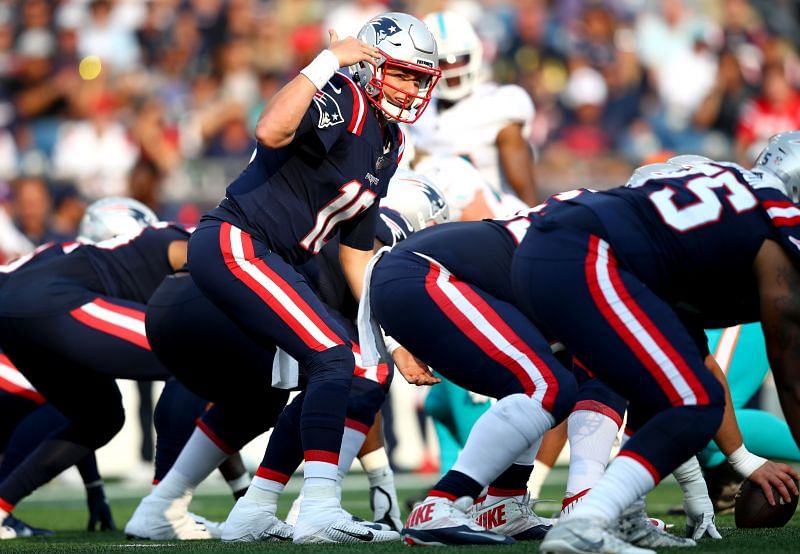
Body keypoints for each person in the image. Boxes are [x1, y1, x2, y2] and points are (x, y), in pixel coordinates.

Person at [178, 11, 439, 544]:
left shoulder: (389, 142)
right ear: (370, 66)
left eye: (419, 77)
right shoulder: (342, 92)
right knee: (334, 357)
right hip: (238, 240)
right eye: (403, 73)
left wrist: (393, 338)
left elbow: (355, 254)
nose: (412, 87)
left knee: (349, 362)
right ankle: (319, 508)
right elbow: (270, 129)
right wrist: (326, 63)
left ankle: (255, 509)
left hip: (276, 260)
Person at [509, 134, 800, 553]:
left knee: (662, 389)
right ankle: (587, 521)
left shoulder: (708, 212)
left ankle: (616, 515)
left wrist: (703, 489)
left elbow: (696, 357)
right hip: (583, 255)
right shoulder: (769, 218)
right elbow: (788, 366)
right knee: (694, 402)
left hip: (546, 248)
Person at [359, 216, 578, 545]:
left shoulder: (597, 228)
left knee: (539, 382)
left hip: (416, 278)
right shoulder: (617, 247)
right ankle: (440, 504)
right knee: (548, 386)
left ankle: (503, 505)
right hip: (425, 277)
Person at [0, 198, 187, 540]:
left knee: (99, 414)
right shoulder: (80, 271)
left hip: (17, 326)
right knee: (191, 362)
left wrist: (94, 486)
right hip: (17, 334)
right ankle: (165, 505)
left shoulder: (62, 260)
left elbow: (82, 409)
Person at [409, 11, 537, 205]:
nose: (452, 71)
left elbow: (527, 198)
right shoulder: (413, 108)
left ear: (475, 55)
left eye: (458, 60)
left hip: (495, 218)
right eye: (442, 63)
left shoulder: (499, 104)